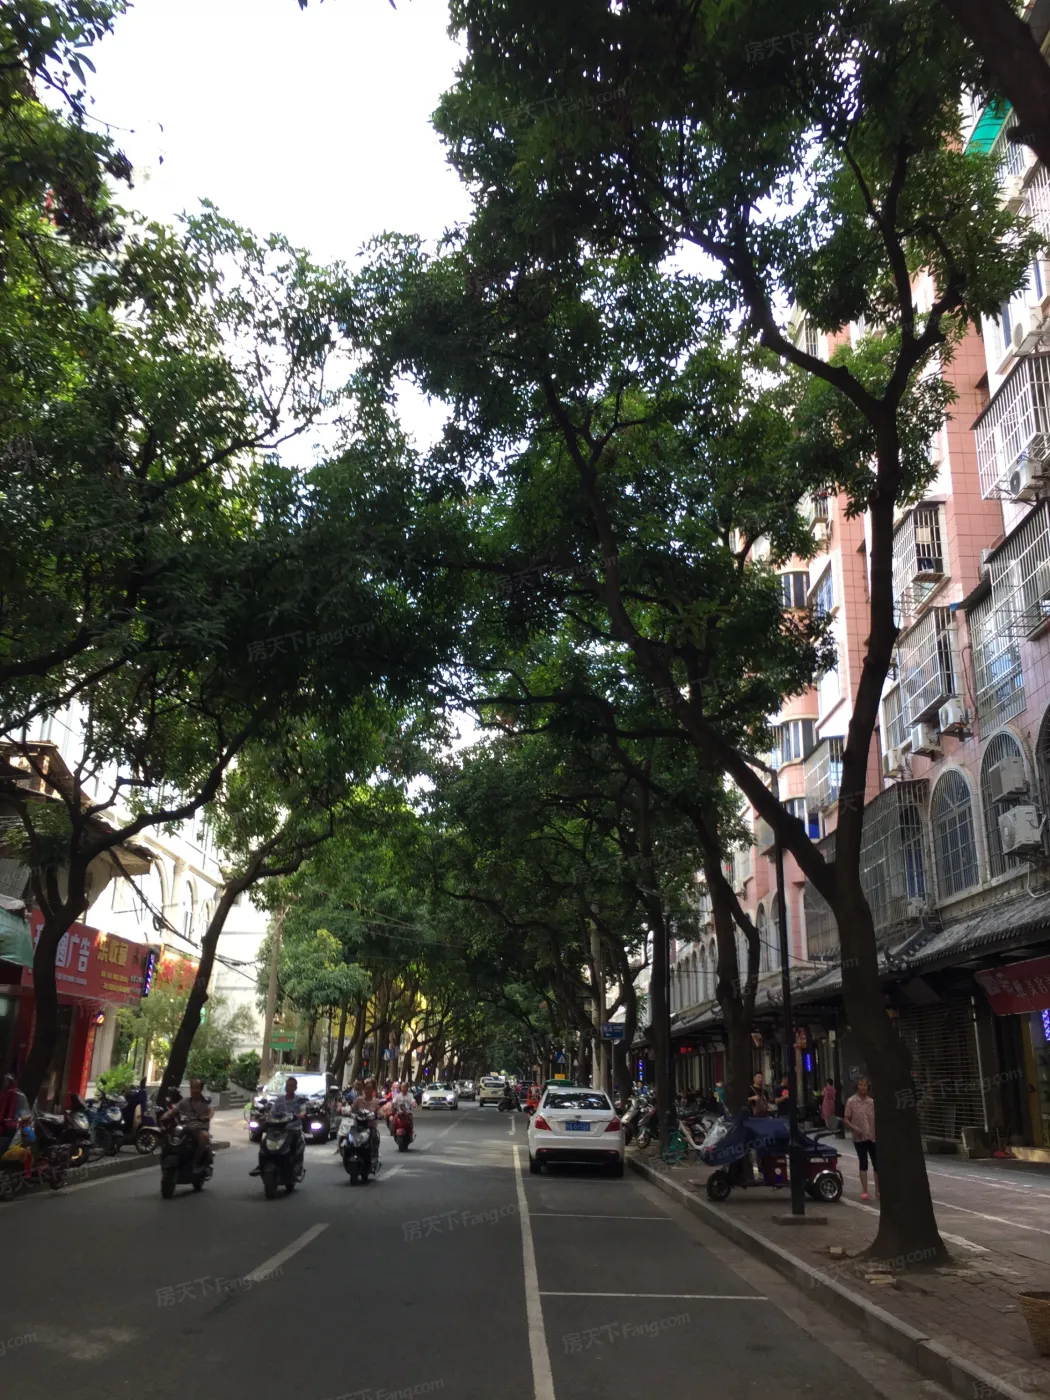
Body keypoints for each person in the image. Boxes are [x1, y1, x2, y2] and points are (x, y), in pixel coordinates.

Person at [162, 1078, 213, 1166]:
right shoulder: (185, 1101)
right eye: (192, 1087)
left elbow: (211, 1110)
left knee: (204, 1136)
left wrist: (207, 1117)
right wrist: (165, 1116)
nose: (194, 1090)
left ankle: (195, 1161)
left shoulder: (205, 1102)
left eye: (196, 1088)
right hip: (187, 1127)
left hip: (200, 1128)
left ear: (201, 1089)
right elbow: (174, 1110)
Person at [844, 1077, 878, 1200]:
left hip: (873, 1136)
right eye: (860, 1084)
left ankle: (878, 1190)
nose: (863, 1087)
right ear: (857, 1086)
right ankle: (865, 1190)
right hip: (859, 1137)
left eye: (865, 1085)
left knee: (877, 1163)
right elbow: (846, 1119)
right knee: (863, 1163)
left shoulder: (871, 1102)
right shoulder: (851, 1101)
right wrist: (854, 1129)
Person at [0, 1073, 31, 1156]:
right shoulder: (16, 1094)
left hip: (8, 1128)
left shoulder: (11, 1094)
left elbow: (7, 1113)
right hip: (11, 1128)